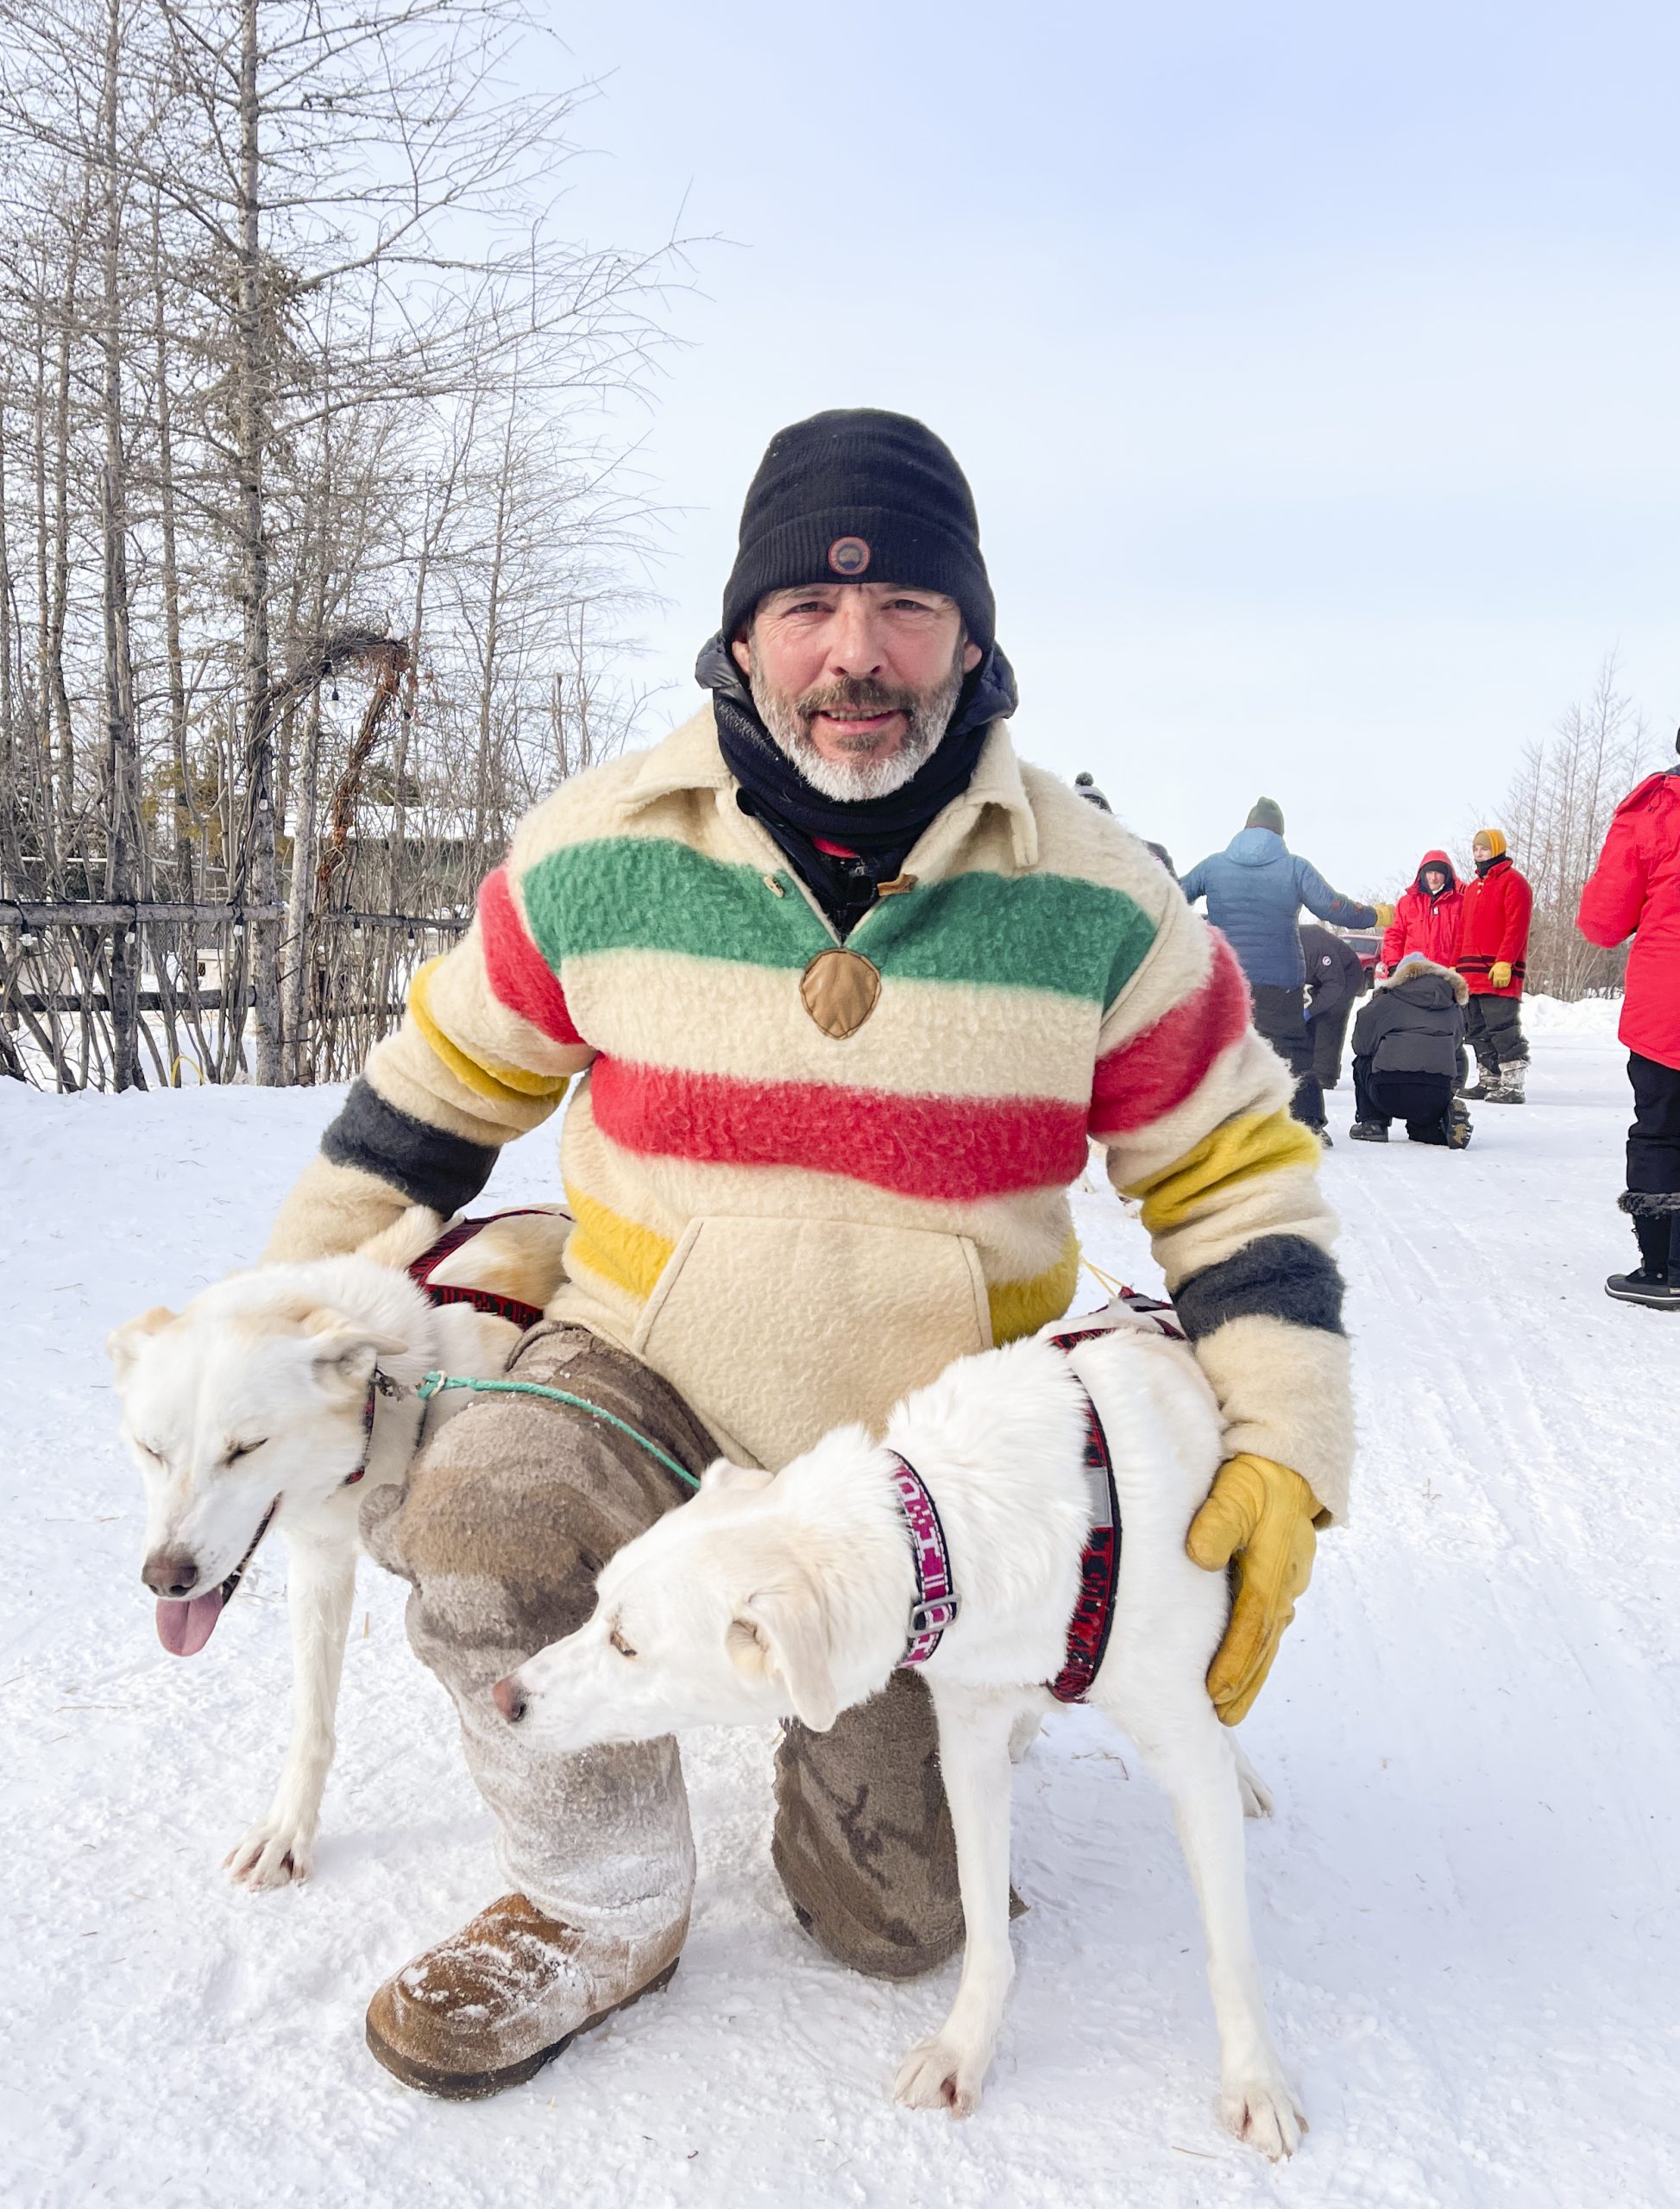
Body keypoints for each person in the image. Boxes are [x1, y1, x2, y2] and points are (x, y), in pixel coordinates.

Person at [261, 409, 1353, 2099]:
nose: (857, 654)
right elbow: (426, 1101)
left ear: (971, 636)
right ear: (743, 631)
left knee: (891, 1923)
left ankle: (843, 1742)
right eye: (808, 609)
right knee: (478, 1519)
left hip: (916, 1480)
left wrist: (1281, 1437)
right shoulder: (595, 849)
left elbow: (1230, 1170)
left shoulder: (1099, 892)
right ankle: (595, 1897)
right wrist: (288, 1329)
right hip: (644, 1376)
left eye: (907, 604)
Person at [1180, 799, 1381, 1135]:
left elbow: (1172, 894)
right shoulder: (1294, 868)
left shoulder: (1212, 866)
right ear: (1280, 833)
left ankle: (1212, 1125)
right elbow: (1335, 908)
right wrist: (1374, 915)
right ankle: (1309, 1124)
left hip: (1225, 979)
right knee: (1293, 1051)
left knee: (1220, 1048)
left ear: (1245, 828)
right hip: (1280, 980)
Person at [1576, 730, 1680, 1310]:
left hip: (1669, 1000)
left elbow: (1602, 921)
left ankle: (1664, 1269)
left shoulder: (1657, 808)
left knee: (1661, 1129)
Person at [1348, 955, 1473, 1148]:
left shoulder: (1387, 1001)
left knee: (1362, 1061)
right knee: (1421, 1127)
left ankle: (1373, 1124)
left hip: (1388, 1091)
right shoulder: (1453, 1006)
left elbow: (1361, 1045)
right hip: (1437, 1092)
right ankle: (1441, 1125)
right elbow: (1456, 1047)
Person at [1456, 829, 1532, 1102]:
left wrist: (1506, 961)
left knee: (1502, 1026)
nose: (1479, 853)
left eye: (1484, 849)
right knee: (1476, 1028)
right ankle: (1489, 1080)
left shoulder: (1514, 882)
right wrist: (1456, 966)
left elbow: (1517, 925)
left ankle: (1512, 1084)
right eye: (1476, 848)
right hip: (1470, 972)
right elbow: (1463, 929)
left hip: (1498, 970)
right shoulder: (1473, 889)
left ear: (1497, 849)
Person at [1299, 922, 1369, 1093]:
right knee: (1311, 1022)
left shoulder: (1314, 947)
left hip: (1346, 977)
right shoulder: (1281, 948)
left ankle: (1324, 1075)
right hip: (1322, 979)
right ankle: (1305, 1068)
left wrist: (1310, 1011)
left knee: (1328, 1019)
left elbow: (1335, 985)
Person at [1378, 849, 1463, 975]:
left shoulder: (1461, 902)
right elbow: (1394, 936)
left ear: (1447, 875)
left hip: (1448, 974)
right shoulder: (1407, 903)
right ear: (1423, 874)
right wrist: (1394, 966)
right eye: (1430, 872)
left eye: (1438, 873)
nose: (1433, 878)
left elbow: (1466, 939)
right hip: (1412, 974)